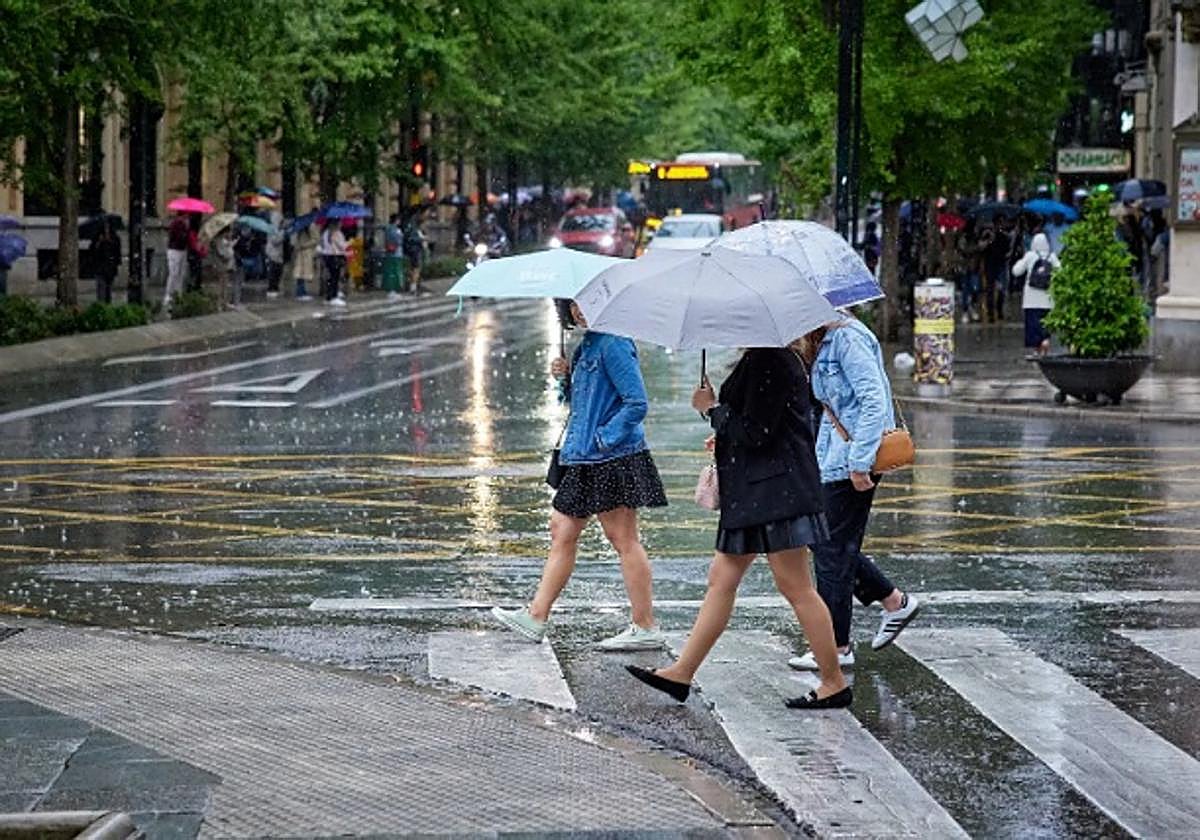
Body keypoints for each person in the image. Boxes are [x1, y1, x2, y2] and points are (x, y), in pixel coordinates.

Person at [626, 346, 851, 710]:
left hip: (777, 492)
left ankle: (834, 682)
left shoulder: (771, 359)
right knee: (722, 579)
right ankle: (682, 672)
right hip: (754, 492)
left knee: (796, 587)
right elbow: (759, 425)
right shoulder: (762, 357)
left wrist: (712, 410)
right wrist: (720, 423)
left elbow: (757, 431)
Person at [491, 299, 669, 651]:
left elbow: (637, 403)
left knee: (623, 539)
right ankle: (536, 616)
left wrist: (605, 438)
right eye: (573, 304)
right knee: (562, 530)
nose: (580, 311)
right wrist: (566, 379)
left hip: (610, 456)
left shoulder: (614, 342)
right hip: (584, 457)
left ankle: (645, 625)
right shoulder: (588, 342)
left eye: (589, 302)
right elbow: (586, 401)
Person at [787, 318, 920, 672]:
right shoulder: (826, 339)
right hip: (833, 459)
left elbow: (874, 400)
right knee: (830, 545)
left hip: (853, 461)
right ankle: (893, 601)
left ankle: (837, 646)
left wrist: (860, 463)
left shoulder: (847, 339)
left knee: (831, 551)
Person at [1011, 232, 1059, 356]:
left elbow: (1016, 271)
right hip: (1048, 298)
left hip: (1031, 299)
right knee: (1045, 323)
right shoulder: (1052, 257)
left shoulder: (1030, 255)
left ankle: (1037, 348)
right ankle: (1045, 340)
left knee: (1033, 324)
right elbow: (1061, 272)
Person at [163, 211, 190, 311]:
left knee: (180, 274)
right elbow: (179, 237)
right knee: (174, 273)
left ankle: (178, 295)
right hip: (175, 250)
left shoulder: (182, 224)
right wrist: (186, 231)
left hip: (181, 250)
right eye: (187, 215)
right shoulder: (177, 223)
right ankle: (169, 296)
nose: (188, 217)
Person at [91, 219, 121, 304]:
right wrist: (100, 241)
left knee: (108, 289)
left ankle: (108, 304)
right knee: (101, 288)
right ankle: (101, 304)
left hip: (110, 267)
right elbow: (93, 250)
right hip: (100, 267)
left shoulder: (115, 238)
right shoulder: (98, 237)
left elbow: (117, 252)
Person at [319, 219, 347, 307]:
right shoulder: (337, 233)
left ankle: (328, 296)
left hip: (327, 256)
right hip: (335, 256)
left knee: (330, 278)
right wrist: (349, 243)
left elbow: (323, 245)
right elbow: (342, 246)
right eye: (340, 222)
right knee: (335, 277)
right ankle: (333, 297)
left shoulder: (326, 232)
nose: (341, 224)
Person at [291, 222, 317, 301]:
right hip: (300, 253)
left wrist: (304, 245)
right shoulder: (298, 227)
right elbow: (294, 240)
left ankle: (302, 291)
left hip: (306, 252)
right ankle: (300, 292)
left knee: (303, 273)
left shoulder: (311, 226)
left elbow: (315, 239)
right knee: (300, 273)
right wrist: (297, 245)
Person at [403, 210, 425, 295]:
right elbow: (412, 238)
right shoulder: (413, 228)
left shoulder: (413, 227)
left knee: (414, 269)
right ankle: (413, 287)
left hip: (414, 250)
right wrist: (421, 239)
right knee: (416, 268)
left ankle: (414, 285)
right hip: (415, 251)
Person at [383, 213, 405, 299]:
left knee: (393, 272)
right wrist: (400, 236)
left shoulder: (389, 229)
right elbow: (397, 240)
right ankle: (392, 290)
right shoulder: (394, 229)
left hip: (393, 253)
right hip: (395, 253)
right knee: (394, 272)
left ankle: (393, 290)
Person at [264, 221, 284, 299]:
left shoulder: (279, 231)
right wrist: (282, 234)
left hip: (279, 256)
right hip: (273, 255)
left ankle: (275, 288)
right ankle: (271, 289)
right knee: (273, 273)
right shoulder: (272, 231)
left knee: (278, 272)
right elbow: (275, 241)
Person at [345, 223, 364, 292]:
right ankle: (357, 286)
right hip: (357, 260)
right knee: (356, 274)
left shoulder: (349, 242)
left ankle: (352, 286)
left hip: (351, 260)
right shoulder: (358, 241)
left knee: (351, 274)